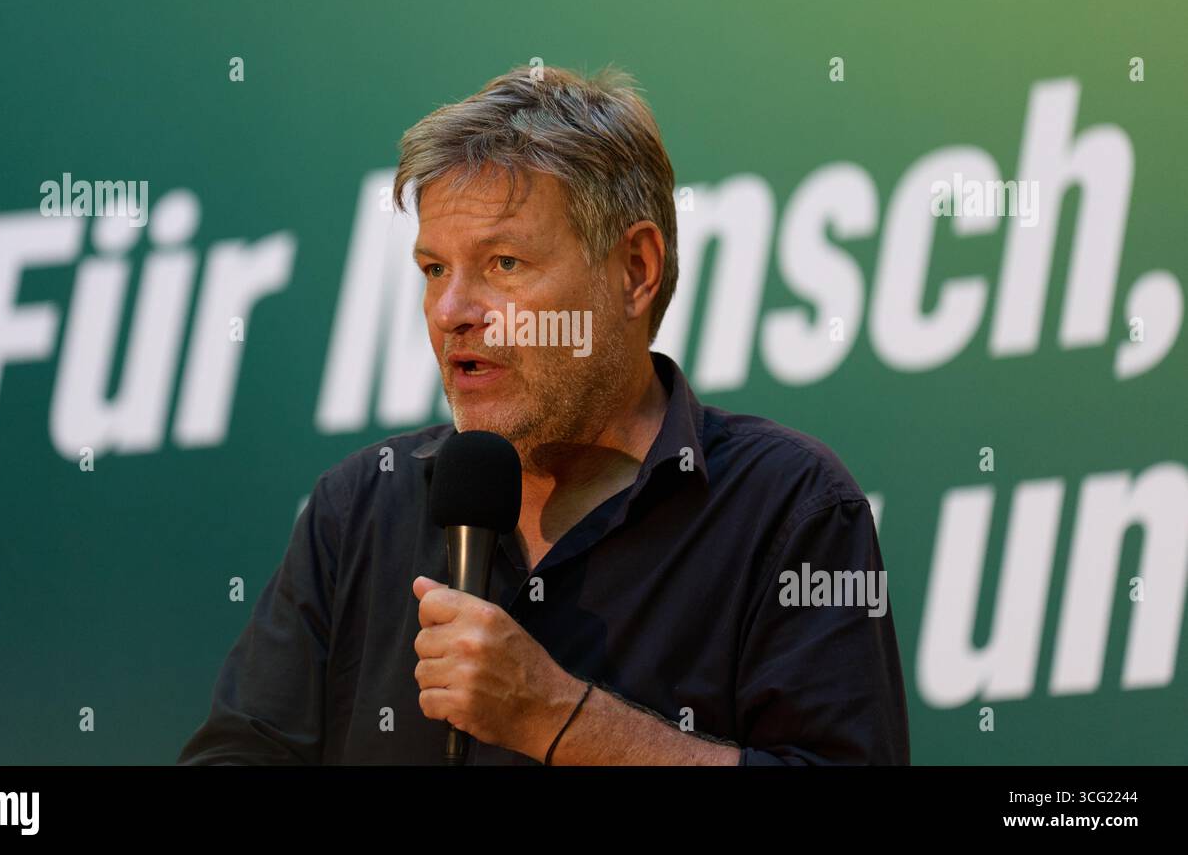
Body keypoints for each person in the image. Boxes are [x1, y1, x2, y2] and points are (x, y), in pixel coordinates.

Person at [178, 64, 910, 765]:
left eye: (503, 264)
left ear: (636, 271)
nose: (453, 312)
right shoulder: (360, 506)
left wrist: (555, 718)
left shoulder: (791, 509)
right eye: (435, 270)